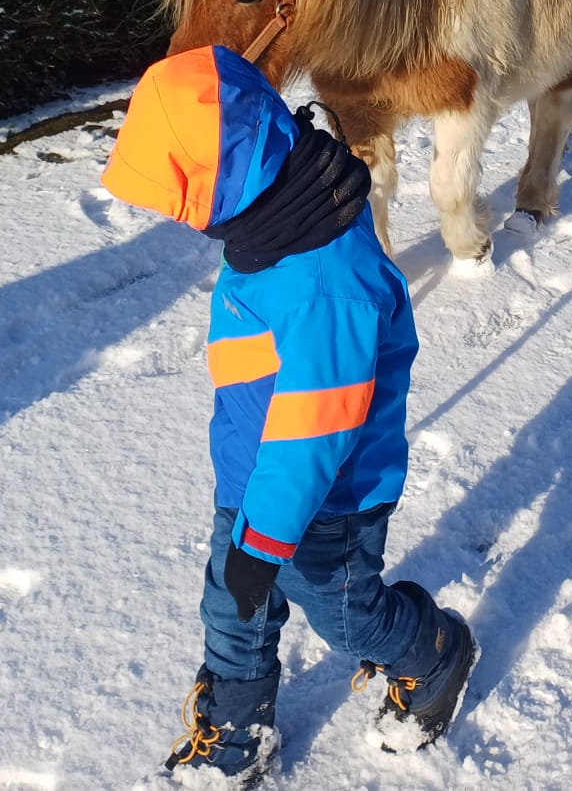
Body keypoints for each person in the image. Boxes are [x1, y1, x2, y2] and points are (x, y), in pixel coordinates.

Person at [99, 45, 475, 785]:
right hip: (254, 468)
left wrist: (263, 539)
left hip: (330, 495)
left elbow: (315, 428)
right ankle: (236, 735)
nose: (174, 215)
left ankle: (432, 651)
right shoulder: (277, 212)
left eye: (181, 190)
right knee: (231, 608)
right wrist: (251, 524)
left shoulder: (325, 275)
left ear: (229, 171)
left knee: (343, 616)